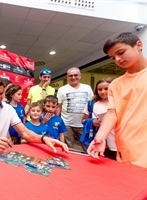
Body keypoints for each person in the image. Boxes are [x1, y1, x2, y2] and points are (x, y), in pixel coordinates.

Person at [0, 76, 69, 154]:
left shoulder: (8, 109)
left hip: (3, 153)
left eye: (1, 93)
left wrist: (43, 138)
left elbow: (25, 133)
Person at [87, 32, 147, 168]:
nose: (118, 59)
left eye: (121, 52)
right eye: (113, 58)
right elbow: (112, 112)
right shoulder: (116, 84)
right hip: (127, 150)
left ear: (139, 45)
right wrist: (100, 138)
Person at [56, 67, 93, 149]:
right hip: (66, 124)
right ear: (67, 77)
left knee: (87, 147)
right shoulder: (62, 89)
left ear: (80, 76)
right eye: (70, 75)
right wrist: (57, 120)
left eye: (75, 75)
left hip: (84, 124)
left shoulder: (87, 88)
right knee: (68, 148)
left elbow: (91, 105)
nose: (73, 77)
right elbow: (59, 106)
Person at [81, 77, 116, 160]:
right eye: (100, 89)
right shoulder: (92, 104)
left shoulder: (119, 102)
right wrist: (92, 122)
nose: (103, 92)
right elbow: (83, 120)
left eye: (106, 89)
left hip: (117, 142)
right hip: (98, 141)